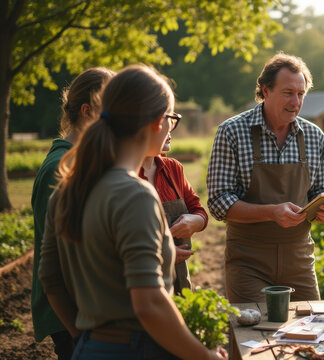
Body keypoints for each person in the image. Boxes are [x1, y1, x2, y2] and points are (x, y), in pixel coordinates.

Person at [39, 65, 227, 359]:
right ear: (156, 121)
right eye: (171, 118)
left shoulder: (68, 189)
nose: (170, 127)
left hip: (88, 348)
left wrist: (84, 337)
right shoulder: (136, 194)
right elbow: (149, 304)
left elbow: (50, 279)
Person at [207, 53, 324, 303]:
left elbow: (320, 192)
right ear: (265, 90)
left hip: (299, 260)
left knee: (312, 329)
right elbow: (218, 202)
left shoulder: (314, 136)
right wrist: (271, 212)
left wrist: (323, 211)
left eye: (300, 94)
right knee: (253, 334)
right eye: (288, 93)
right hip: (248, 261)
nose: (295, 102)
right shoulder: (232, 132)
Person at [31, 67, 115, 359]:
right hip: (72, 317)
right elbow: (57, 261)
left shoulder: (84, 161)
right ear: (88, 111)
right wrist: (80, 332)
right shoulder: (59, 169)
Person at [139, 130, 208, 295]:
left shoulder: (173, 168)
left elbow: (198, 211)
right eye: (163, 121)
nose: (170, 130)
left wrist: (195, 221)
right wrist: (163, 253)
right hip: (142, 282)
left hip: (178, 279)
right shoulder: (123, 176)